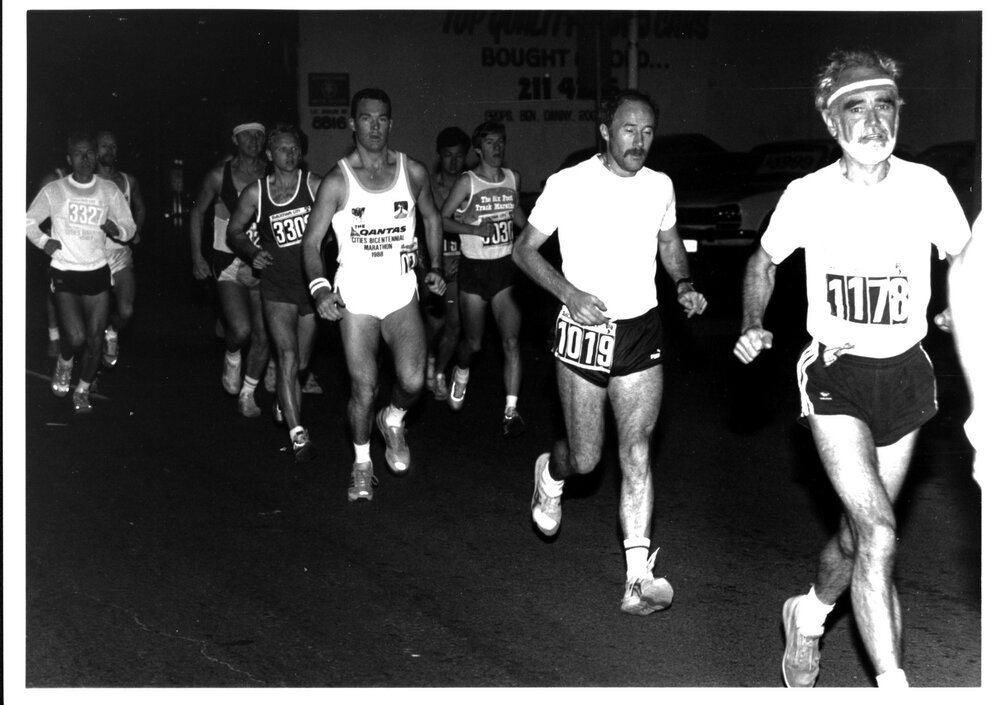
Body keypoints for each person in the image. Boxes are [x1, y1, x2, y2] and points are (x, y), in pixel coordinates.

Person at [732, 49, 971, 688]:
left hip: (906, 376)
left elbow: (968, 261)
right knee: (881, 531)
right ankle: (894, 686)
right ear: (831, 120)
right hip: (834, 374)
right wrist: (754, 321)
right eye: (855, 108)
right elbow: (763, 262)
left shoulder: (928, 188)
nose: (872, 121)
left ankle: (808, 616)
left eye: (883, 105)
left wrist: (959, 307)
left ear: (899, 113)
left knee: (856, 537)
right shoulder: (807, 195)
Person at [512, 89, 707, 614]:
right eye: (628, 130)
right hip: (583, 332)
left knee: (636, 452)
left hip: (641, 329)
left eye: (647, 132)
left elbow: (669, 241)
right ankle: (549, 477)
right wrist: (569, 294)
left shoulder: (659, 186)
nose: (638, 142)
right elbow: (523, 250)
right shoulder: (569, 183)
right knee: (586, 459)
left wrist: (683, 283)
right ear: (605, 130)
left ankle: (637, 577)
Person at [302, 87, 446, 502]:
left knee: (413, 380)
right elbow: (311, 244)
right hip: (356, 301)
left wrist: (434, 266)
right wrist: (320, 289)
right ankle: (362, 464)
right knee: (363, 387)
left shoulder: (411, 171)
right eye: (366, 118)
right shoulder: (337, 181)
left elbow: (432, 216)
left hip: (401, 293)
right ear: (352, 124)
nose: (375, 126)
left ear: (391, 123)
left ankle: (394, 417)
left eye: (382, 118)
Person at [228, 124, 322, 463]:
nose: (291, 154)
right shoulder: (257, 193)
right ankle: (298, 434)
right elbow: (234, 231)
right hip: (276, 286)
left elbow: (341, 226)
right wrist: (252, 253)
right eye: (283, 149)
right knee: (287, 356)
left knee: (302, 363)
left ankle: (286, 400)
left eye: (295, 149)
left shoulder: (314, 186)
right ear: (270, 155)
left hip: (311, 286)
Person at [26, 133, 137, 413]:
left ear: (96, 157)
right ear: (69, 159)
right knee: (75, 338)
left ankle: (83, 389)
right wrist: (43, 241)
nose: (85, 158)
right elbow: (27, 222)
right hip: (65, 268)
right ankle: (65, 362)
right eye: (78, 153)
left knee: (95, 339)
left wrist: (119, 230)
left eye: (89, 153)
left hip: (97, 270)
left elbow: (130, 225)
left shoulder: (108, 190)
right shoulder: (56, 189)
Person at [441, 122, 529, 437]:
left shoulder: (512, 177)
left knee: (511, 341)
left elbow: (515, 213)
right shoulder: (468, 182)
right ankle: (461, 371)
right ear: (478, 148)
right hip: (474, 270)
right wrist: (475, 229)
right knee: (474, 343)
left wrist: (532, 232)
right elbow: (442, 219)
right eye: (490, 143)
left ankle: (510, 409)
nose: (497, 148)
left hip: (504, 269)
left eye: (500, 142)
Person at [189, 121, 271, 417]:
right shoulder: (218, 176)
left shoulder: (272, 173)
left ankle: (248, 393)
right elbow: (198, 211)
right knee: (240, 329)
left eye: (260, 135)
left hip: (262, 263)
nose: (254, 140)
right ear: (235, 139)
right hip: (228, 261)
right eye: (247, 134)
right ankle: (233, 355)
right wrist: (197, 256)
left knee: (264, 335)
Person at [423, 126, 470, 400]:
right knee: (434, 324)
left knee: (454, 324)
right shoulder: (427, 184)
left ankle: (440, 371)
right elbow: (421, 227)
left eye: (459, 156)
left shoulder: (470, 185)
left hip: (461, 264)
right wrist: (430, 263)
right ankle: (428, 357)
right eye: (448, 155)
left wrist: (461, 259)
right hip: (432, 264)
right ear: (439, 156)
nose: (454, 161)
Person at [95, 130, 147, 368]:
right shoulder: (86, 182)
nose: (109, 151)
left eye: (113, 147)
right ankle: (91, 373)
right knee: (92, 319)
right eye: (104, 146)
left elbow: (140, 207)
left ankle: (112, 332)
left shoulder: (128, 181)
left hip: (120, 254)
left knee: (125, 311)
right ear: (95, 151)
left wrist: (135, 231)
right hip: (91, 256)